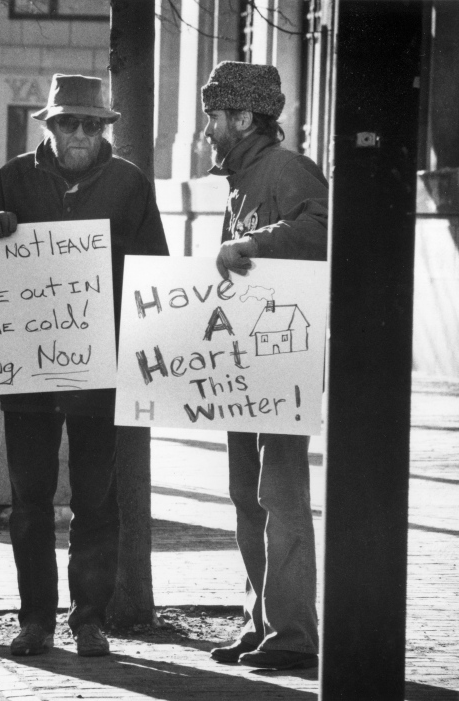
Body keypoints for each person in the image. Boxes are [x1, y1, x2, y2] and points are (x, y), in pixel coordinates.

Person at [0, 73, 169, 658]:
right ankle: (35, 619)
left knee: (95, 500)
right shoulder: (12, 178)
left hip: (99, 372)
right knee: (30, 500)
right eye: (69, 122)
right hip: (29, 376)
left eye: (92, 123)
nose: (80, 132)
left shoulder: (129, 184)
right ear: (51, 127)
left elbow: (154, 271)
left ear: (105, 128)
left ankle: (90, 618)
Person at [201, 61, 328, 671]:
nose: (208, 130)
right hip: (244, 366)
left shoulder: (287, 168)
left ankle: (295, 634)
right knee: (245, 496)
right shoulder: (241, 178)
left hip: (283, 363)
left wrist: (254, 242)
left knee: (279, 496)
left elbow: (328, 228)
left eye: (215, 117)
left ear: (245, 119)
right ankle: (263, 624)